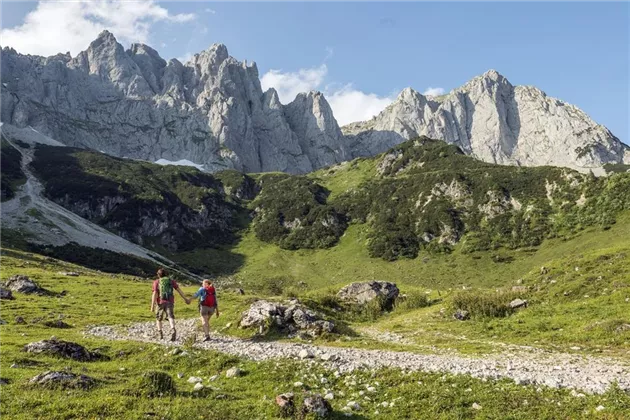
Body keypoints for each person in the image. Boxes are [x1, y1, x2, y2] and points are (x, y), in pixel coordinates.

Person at [150, 268, 190, 341]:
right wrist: (185, 299)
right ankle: (173, 329)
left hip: (160, 302)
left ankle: (160, 334)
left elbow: (155, 293)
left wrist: (152, 306)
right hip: (170, 301)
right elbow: (179, 290)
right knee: (170, 316)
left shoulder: (156, 282)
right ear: (166, 274)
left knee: (159, 318)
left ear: (158, 275)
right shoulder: (171, 281)